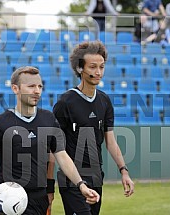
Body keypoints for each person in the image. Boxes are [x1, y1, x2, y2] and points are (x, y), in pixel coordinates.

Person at [0, 66, 100, 215]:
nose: (37, 91)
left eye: (40, 86)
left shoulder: (49, 119)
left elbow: (62, 156)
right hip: (9, 200)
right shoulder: (0, 124)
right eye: (31, 86)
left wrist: (81, 185)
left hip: (40, 200)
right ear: (15, 89)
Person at [53, 41, 134, 215]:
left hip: (96, 176)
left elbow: (110, 141)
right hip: (72, 180)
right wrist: (47, 187)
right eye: (92, 67)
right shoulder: (65, 103)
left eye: (102, 67)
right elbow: (54, 147)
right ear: (80, 69)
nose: (98, 72)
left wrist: (124, 171)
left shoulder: (105, 101)